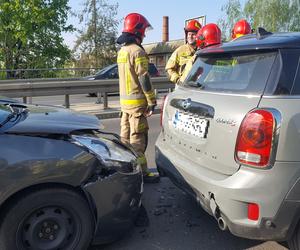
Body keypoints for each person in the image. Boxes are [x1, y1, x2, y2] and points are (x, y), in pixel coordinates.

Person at [116, 13, 160, 183]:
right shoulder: (138, 51)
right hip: (136, 107)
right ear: (139, 30)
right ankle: (142, 174)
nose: (145, 34)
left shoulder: (122, 51)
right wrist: (151, 101)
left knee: (124, 141)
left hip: (124, 106)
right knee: (138, 142)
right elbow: (144, 78)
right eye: (144, 31)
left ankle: (125, 171)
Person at [165, 19, 202, 84]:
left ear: (198, 36)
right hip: (183, 88)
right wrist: (178, 80)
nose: (190, 36)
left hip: (198, 87)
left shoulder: (202, 52)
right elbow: (169, 69)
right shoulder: (180, 51)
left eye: (193, 34)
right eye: (189, 34)